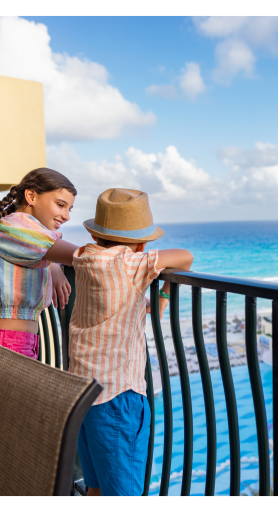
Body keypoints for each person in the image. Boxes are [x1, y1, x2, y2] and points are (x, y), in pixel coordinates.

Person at [70, 188, 193, 498]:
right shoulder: (131, 263)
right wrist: (163, 290)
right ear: (140, 244)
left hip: (82, 390)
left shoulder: (84, 257)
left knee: (95, 487)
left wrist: (151, 297)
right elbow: (185, 257)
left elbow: (123, 298)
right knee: (125, 494)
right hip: (118, 394)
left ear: (96, 236)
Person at [0, 168, 80, 388]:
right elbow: (83, 256)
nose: (67, 216)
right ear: (31, 196)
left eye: (69, 209)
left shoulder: (17, 231)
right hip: (4, 347)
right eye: (60, 205)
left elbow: (38, 248)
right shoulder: (13, 228)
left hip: (4, 343)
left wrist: (52, 264)